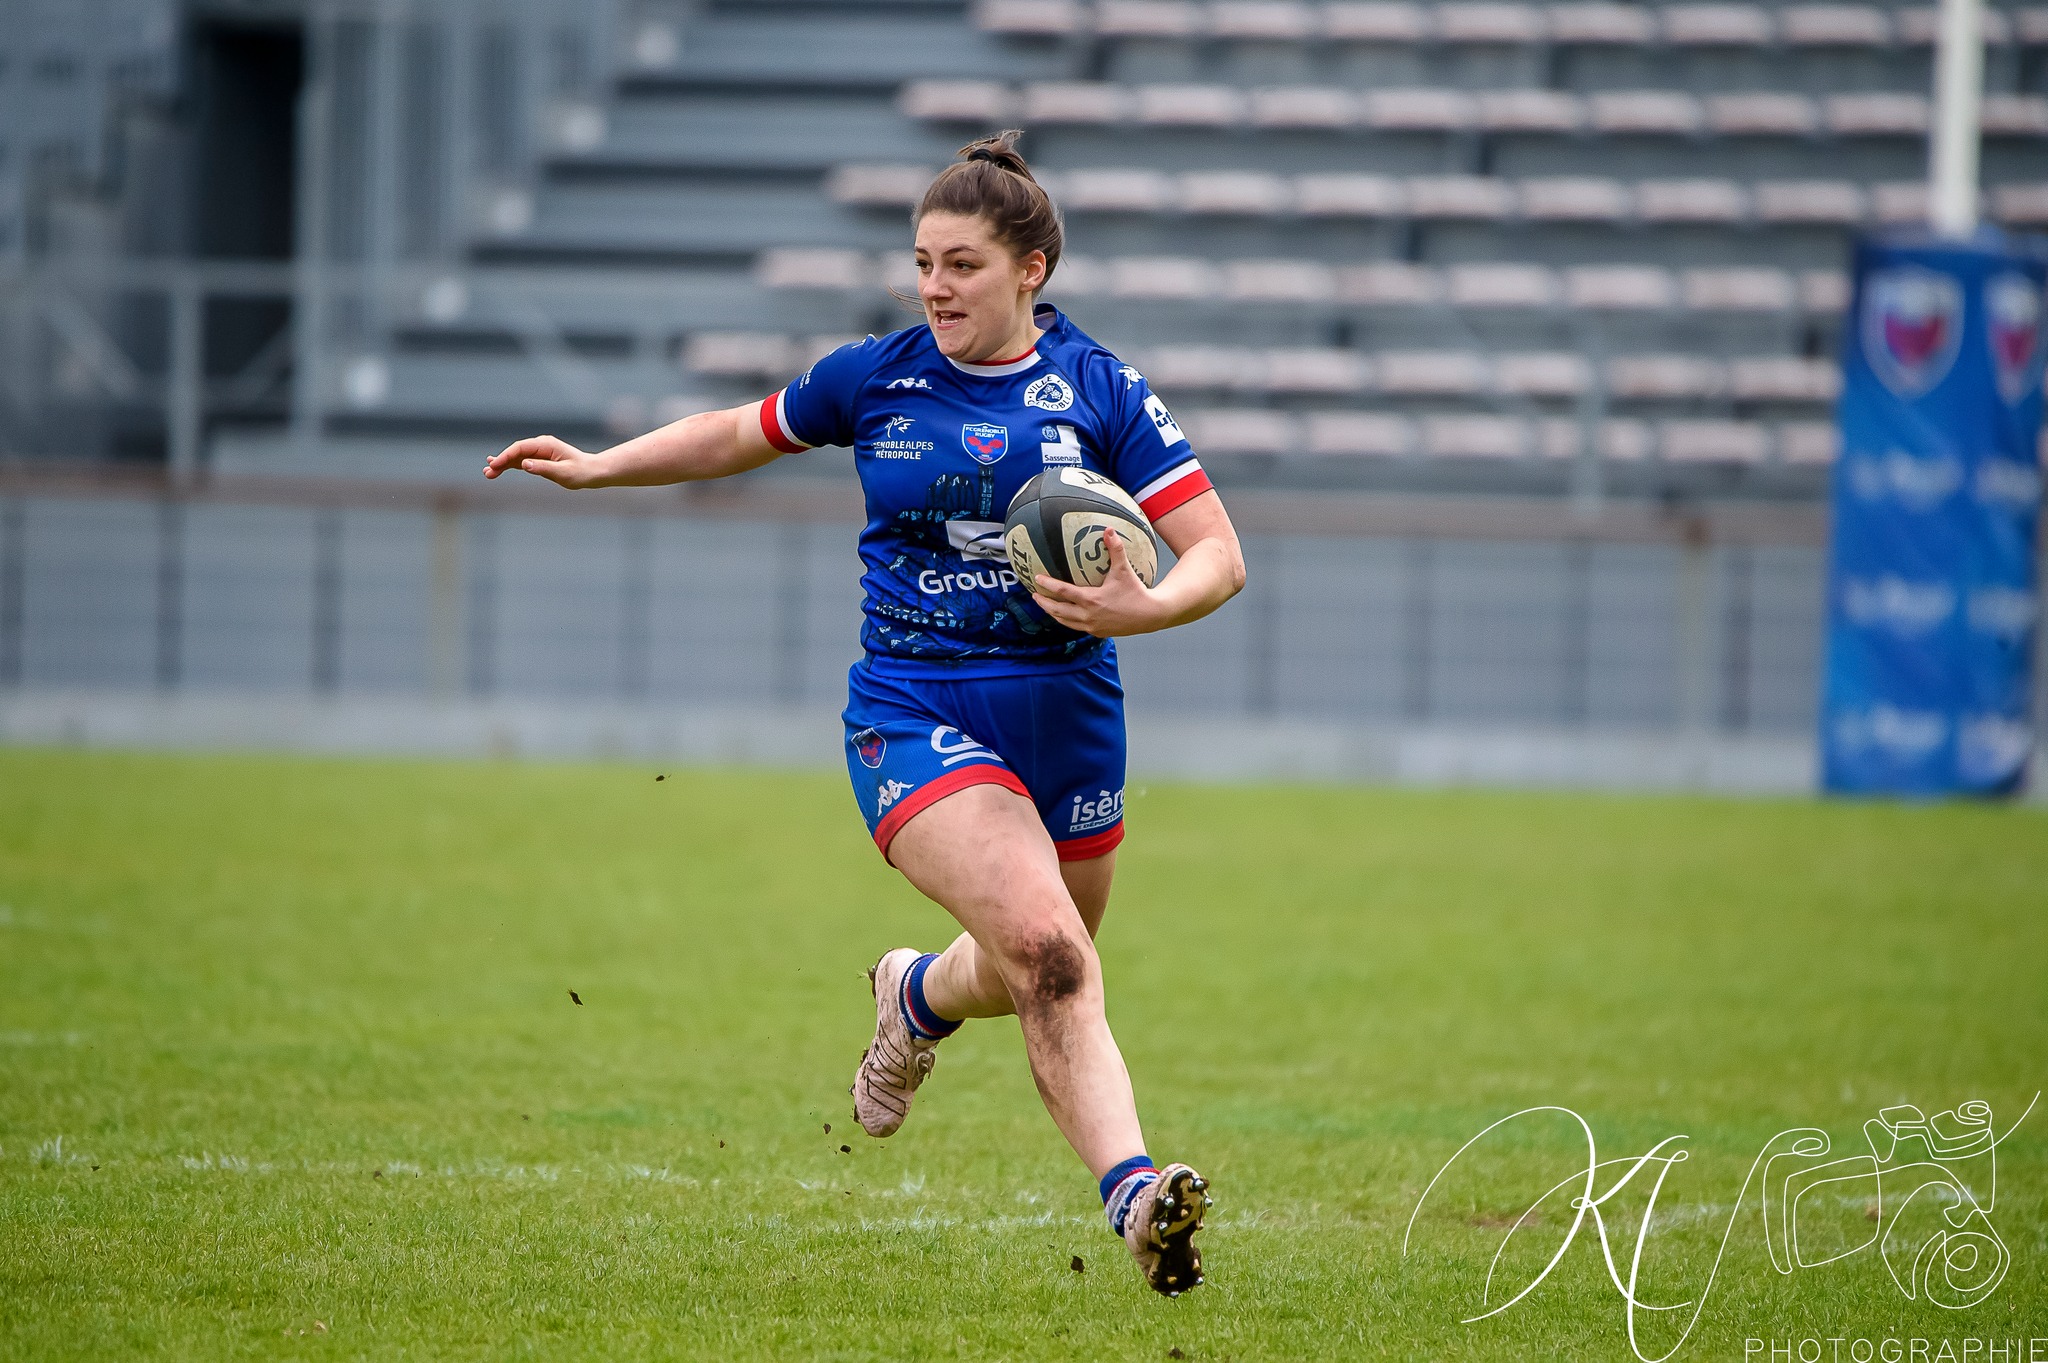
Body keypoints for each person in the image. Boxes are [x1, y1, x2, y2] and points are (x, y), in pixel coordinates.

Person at [484, 130, 1245, 1296]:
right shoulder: (878, 375)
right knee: (1047, 955)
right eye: (922, 263)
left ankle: (913, 996)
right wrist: (598, 465)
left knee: (1039, 964)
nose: (933, 287)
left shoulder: (1099, 388)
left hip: (1070, 713)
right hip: (914, 707)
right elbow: (736, 431)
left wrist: (1140, 612)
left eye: (960, 265)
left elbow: (1217, 558)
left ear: (1030, 268)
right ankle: (1136, 1196)